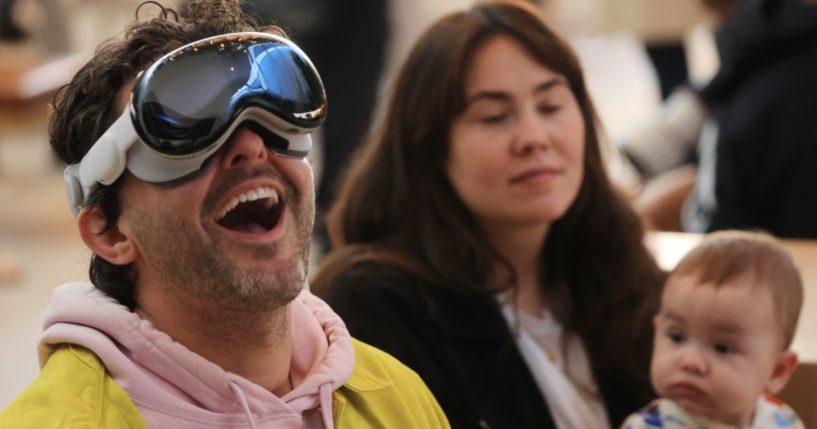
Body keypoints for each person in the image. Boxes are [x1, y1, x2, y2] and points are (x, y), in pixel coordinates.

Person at [0, 1, 450, 428]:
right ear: (108, 232)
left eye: (274, 119)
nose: (252, 147)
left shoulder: (398, 397)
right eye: (189, 130)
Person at [311, 1, 665, 428]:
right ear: (430, 147)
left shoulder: (618, 268)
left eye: (550, 106)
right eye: (494, 117)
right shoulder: (378, 302)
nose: (533, 138)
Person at [621, 230, 804, 428]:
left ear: (777, 371)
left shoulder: (783, 422)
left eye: (722, 348)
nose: (691, 362)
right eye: (677, 337)